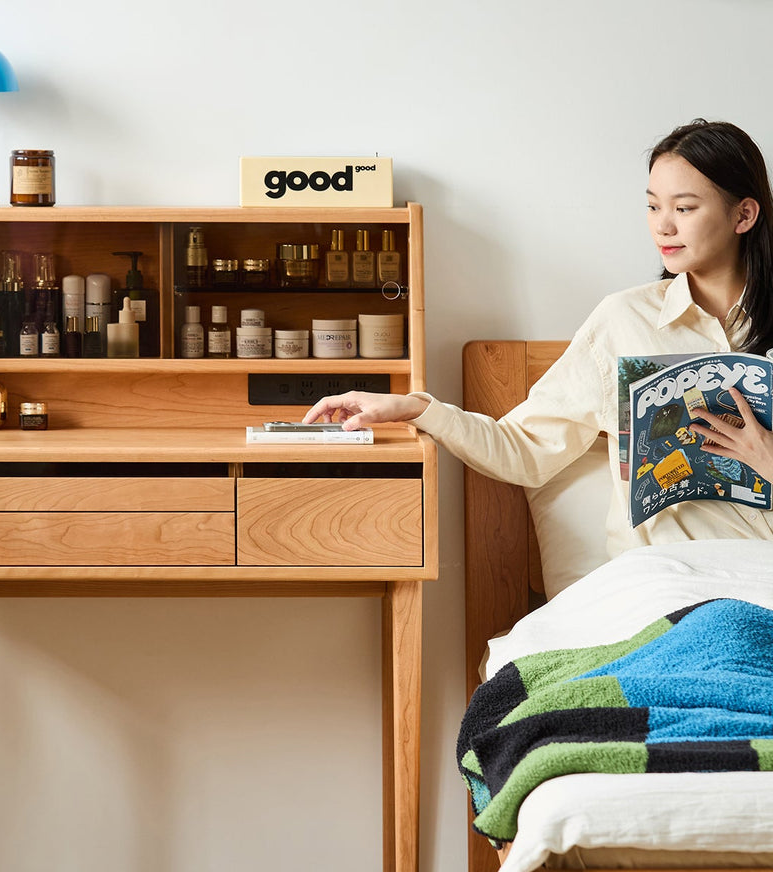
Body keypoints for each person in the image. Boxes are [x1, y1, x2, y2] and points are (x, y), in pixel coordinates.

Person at [303, 119, 773, 554]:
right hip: (667, 585)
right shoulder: (624, 322)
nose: (662, 225)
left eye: (684, 208)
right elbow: (524, 449)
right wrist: (418, 408)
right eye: (653, 206)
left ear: (744, 215)